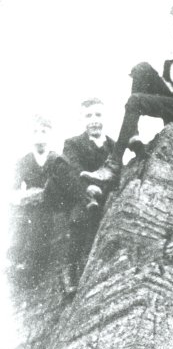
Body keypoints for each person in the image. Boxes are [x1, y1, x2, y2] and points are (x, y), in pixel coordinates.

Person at [81, 2, 173, 187]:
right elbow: (168, 90)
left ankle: (114, 164)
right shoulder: (172, 57)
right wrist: (170, 87)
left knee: (135, 101)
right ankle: (133, 136)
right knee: (141, 69)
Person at [43, 98, 116, 293]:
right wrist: (87, 188)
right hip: (71, 192)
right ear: (82, 119)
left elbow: (116, 172)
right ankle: (86, 197)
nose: (94, 120)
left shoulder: (112, 146)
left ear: (105, 117)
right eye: (89, 116)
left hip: (95, 197)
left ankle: (69, 271)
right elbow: (73, 169)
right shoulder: (73, 143)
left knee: (80, 213)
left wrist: (97, 189)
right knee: (57, 160)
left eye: (98, 115)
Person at [13, 115, 54, 190]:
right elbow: (14, 192)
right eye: (35, 132)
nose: (39, 136)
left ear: (50, 134)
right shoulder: (23, 162)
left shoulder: (58, 160)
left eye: (43, 131)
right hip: (31, 201)